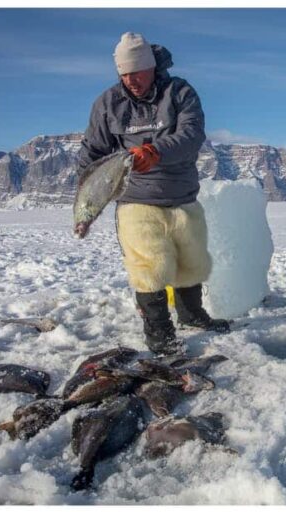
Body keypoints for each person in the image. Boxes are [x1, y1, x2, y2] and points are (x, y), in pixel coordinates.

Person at [77, 32, 228, 356]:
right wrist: (86, 201)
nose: (132, 80)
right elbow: (93, 152)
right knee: (149, 265)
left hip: (182, 195)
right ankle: (159, 332)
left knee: (192, 261)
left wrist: (156, 151)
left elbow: (191, 134)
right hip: (136, 199)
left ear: (152, 67)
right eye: (124, 74)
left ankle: (192, 314)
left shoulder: (180, 93)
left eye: (137, 72)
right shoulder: (108, 104)